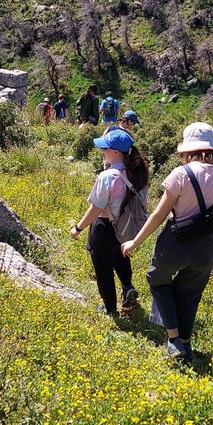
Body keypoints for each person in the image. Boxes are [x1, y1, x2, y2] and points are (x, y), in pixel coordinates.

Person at [121, 122, 213, 360]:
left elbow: (159, 215)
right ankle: (185, 343)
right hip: (205, 246)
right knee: (191, 292)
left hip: (174, 242)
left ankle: (174, 339)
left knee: (157, 278)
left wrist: (135, 242)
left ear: (188, 150)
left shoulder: (181, 174)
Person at [70, 128, 150, 317]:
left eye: (105, 149)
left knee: (103, 269)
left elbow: (96, 208)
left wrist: (78, 228)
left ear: (116, 153)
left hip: (104, 227)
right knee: (121, 256)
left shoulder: (107, 176)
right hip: (125, 227)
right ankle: (128, 287)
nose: (101, 151)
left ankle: (110, 309)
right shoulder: (138, 173)